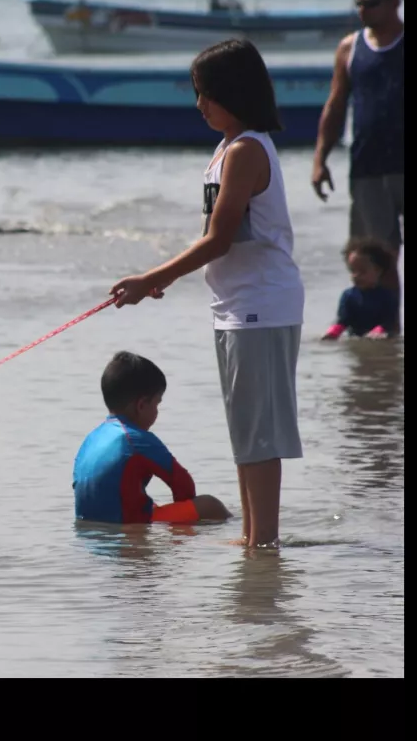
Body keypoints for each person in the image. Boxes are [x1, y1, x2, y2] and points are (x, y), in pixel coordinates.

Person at [109, 38, 304, 549]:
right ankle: (250, 535)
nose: (199, 105)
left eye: (207, 94)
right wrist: (163, 278)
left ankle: (264, 543)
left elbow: (217, 239)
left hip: (261, 307)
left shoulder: (246, 150)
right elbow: (217, 239)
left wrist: (154, 277)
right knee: (245, 430)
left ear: (234, 93)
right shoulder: (226, 149)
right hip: (236, 307)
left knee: (260, 434)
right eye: (197, 93)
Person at [311, 0, 404, 274]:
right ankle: (387, 322)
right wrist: (319, 159)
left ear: (395, 2)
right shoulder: (349, 48)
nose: (363, 11)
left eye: (371, 3)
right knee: (376, 263)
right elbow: (335, 106)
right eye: (359, 4)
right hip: (369, 168)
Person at [73, 351, 231, 525]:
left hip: (89, 527)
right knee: (210, 505)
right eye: (157, 403)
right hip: (127, 522)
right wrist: (185, 522)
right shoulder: (138, 439)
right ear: (141, 405)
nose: (157, 411)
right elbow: (182, 482)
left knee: (147, 502)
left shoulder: (92, 437)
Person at [322, 237, 400, 340]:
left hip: (381, 340)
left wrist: (378, 331)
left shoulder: (387, 296)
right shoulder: (349, 296)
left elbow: (390, 322)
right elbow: (343, 321)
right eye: (353, 271)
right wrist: (333, 332)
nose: (356, 276)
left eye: (362, 271)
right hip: (356, 339)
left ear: (378, 271)